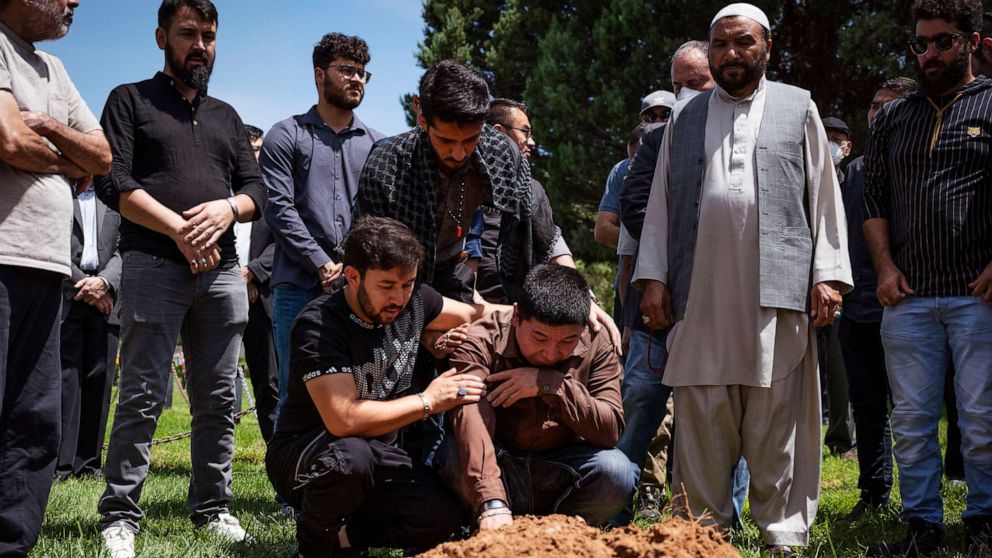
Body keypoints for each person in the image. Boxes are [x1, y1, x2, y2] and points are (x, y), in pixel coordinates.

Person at [634, 3, 852, 552]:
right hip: (699, 294)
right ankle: (704, 534)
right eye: (722, 44)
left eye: (744, 43)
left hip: (775, 293)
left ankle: (782, 532)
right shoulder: (684, 115)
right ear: (710, 51)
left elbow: (824, 198)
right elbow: (659, 204)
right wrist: (654, 278)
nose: (731, 54)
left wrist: (827, 275)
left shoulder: (797, 106)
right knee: (703, 417)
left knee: (778, 418)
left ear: (767, 49)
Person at [94, 1, 267, 555]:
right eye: (188, 34)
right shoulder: (129, 100)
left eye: (209, 36)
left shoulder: (227, 116)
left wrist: (226, 210)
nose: (200, 46)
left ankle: (213, 507)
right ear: (161, 36)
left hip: (220, 277)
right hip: (150, 266)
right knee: (143, 395)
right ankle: (120, 514)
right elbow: (111, 180)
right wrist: (177, 229)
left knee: (218, 397)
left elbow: (257, 190)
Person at [266, 216, 500, 558]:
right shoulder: (318, 325)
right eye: (387, 285)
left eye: (407, 284)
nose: (399, 298)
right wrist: (428, 401)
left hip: (378, 454)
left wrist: (437, 336)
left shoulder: (415, 300)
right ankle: (312, 549)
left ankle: (344, 538)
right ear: (352, 276)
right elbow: (343, 419)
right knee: (351, 459)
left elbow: (475, 315)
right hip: (307, 455)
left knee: (443, 515)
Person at [357, 60, 618, 346]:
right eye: (445, 141)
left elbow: (543, 229)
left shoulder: (501, 153)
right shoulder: (386, 165)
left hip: (454, 275)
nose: (458, 154)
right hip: (394, 284)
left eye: (469, 140)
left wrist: (580, 297)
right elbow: (371, 258)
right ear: (422, 117)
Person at [863, 0, 992, 554]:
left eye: (943, 41)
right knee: (911, 423)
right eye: (920, 43)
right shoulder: (894, 117)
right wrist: (885, 268)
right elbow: (874, 201)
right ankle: (923, 527)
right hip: (908, 298)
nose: (930, 53)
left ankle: (984, 522)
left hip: (978, 295)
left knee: (983, 420)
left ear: (973, 39)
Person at [0, 0, 111, 553]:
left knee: (34, 418)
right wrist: (65, 155)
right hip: (2, 256)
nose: (76, 3)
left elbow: (102, 157)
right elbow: (9, 142)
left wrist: (43, 124)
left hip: (48, 267)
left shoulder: (54, 70)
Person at [441, 264, 636, 530]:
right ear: (517, 315)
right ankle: (482, 522)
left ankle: (562, 535)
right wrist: (491, 500)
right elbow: (468, 413)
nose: (549, 353)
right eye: (539, 337)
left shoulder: (596, 341)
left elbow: (610, 429)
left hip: (561, 465)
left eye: (567, 341)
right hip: (499, 460)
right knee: (453, 451)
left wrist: (552, 386)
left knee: (616, 471)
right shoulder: (480, 338)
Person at [261, 32, 384, 418]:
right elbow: (279, 209)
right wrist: (320, 262)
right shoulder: (286, 134)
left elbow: (377, 215)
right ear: (319, 75)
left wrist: (347, 266)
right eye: (346, 70)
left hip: (358, 288)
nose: (357, 79)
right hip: (297, 285)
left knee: (361, 389)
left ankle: (343, 473)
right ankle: (289, 478)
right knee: (294, 391)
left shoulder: (377, 145)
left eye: (363, 73)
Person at [836, 77, 918, 524]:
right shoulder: (852, 172)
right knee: (867, 408)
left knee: (913, 410)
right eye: (873, 106)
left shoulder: (921, 166)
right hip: (857, 310)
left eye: (889, 107)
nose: (876, 114)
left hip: (909, 305)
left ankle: (923, 502)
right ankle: (873, 493)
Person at [468, 98, 574, 304]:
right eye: (525, 132)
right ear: (499, 132)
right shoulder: (464, 181)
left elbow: (552, 245)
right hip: (463, 303)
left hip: (518, 305)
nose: (532, 142)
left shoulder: (531, 189)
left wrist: (585, 297)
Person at [57, 184, 121, 481]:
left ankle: (89, 464)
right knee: (66, 382)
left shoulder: (116, 197)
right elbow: (51, 243)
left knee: (101, 380)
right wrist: (84, 284)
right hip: (69, 296)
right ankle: (61, 463)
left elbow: (126, 247)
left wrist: (106, 283)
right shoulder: (59, 191)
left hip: (107, 301)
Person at [235, 124, 279, 443]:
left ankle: (277, 454)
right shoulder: (219, 192)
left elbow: (284, 244)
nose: (255, 157)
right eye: (249, 151)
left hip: (263, 299)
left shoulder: (276, 194)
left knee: (270, 382)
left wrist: (252, 273)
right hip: (219, 293)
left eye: (260, 150)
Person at [818, 116, 856, 457]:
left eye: (836, 138)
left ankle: (842, 441)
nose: (830, 143)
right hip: (809, 291)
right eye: (823, 136)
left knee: (840, 369)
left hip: (846, 291)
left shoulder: (854, 183)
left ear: (847, 146)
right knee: (805, 372)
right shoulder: (807, 179)